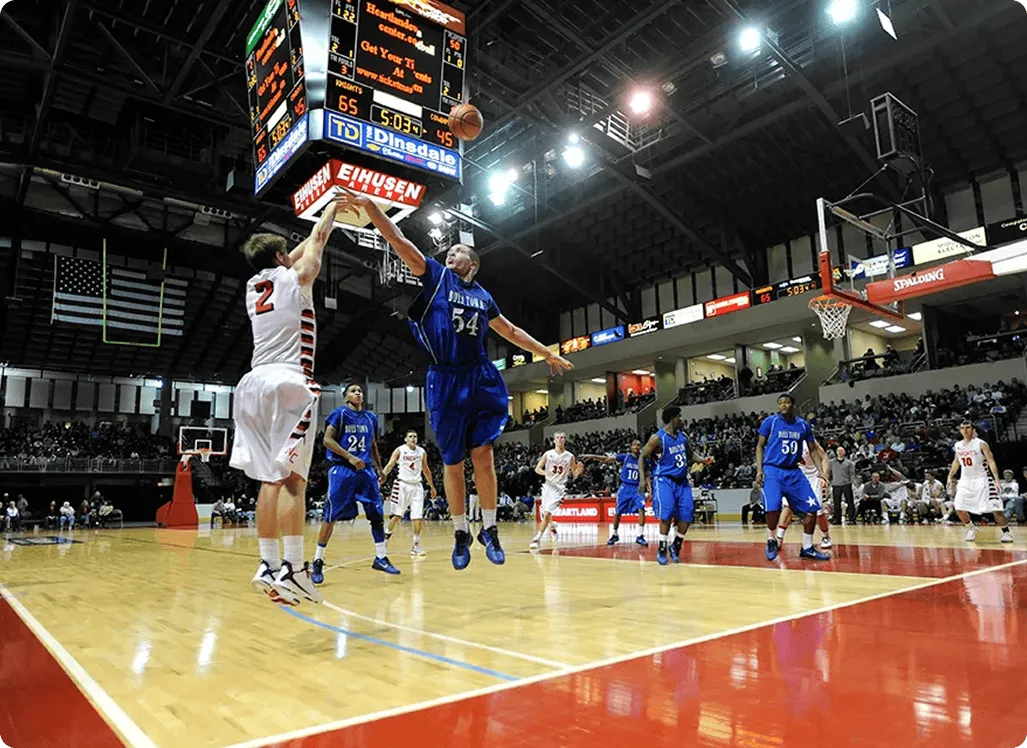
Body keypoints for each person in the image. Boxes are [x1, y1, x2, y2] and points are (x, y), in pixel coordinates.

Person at [340, 188, 573, 570]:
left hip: (479, 374)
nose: (450, 254)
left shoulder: (483, 296)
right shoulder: (434, 277)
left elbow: (510, 330)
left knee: (484, 453)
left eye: (458, 253)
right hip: (444, 379)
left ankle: (491, 528)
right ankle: (461, 532)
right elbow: (399, 241)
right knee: (452, 461)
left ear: (474, 263)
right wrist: (371, 209)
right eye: (448, 253)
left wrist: (546, 352)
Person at [229, 190, 347, 606]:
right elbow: (317, 239)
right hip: (288, 383)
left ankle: (266, 563)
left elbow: (287, 255)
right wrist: (333, 206)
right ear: (283, 258)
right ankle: (294, 570)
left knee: (269, 480)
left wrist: (282, 251)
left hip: (251, 385)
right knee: (295, 480)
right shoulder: (298, 278)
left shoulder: (253, 285)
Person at [312, 383, 399, 585]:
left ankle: (381, 557)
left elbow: (372, 444)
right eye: (353, 391)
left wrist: (379, 468)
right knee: (331, 516)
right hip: (342, 469)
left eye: (360, 390)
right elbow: (327, 440)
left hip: (366, 471)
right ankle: (318, 560)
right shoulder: (339, 414)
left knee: (377, 514)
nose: (358, 393)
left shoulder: (371, 417)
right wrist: (350, 457)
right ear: (345, 397)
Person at [755, 393, 830, 561]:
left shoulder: (803, 425)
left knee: (812, 509)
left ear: (792, 405)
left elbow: (813, 450)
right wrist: (759, 470)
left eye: (787, 402)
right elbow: (759, 447)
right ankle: (771, 540)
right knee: (772, 508)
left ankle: (807, 547)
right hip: (773, 470)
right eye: (780, 402)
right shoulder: (770, 422)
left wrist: (822, 473)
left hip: (794, 471)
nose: (783, 405)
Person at [638, 406, 693, 566]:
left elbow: (691, 455)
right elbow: (642, 455)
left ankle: (676, 545)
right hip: (664, 480)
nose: (682, 420)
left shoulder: (683, 437)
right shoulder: (658, 438)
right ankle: (662, 548)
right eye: (679, 417)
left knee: (687, 515)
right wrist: (643, 478)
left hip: (682, 481)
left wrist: (704, 460)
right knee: (666, 515)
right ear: (672, 419)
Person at [946, 421, 1013, 543]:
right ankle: (971, 527)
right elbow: (956, 462)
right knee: (959, 507)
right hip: (966, 480)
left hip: (983, 479)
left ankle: (1006, 532)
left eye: (968, 427)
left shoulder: (981, 444)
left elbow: (991, 462)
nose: (965, 430)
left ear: (973, 429)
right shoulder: (958, 445)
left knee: (995, 508)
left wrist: (997, 480)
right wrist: (950, 476)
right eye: (962, 428)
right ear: (960, 430)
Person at [581, 439, 650, 547]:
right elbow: (607, 459)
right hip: (625, 487)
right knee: (618, 512)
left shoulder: (644, 460)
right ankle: (614, 534)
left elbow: (646, 476)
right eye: (635, 445)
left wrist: (650, 490)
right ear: (631, 447)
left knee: (641, 509)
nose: (636, 447)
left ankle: (640, 536)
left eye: (638, 445)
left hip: (638, 488)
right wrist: (593, 456)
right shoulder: (626, 457)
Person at [381, 429, 438, 557]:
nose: (413, 438)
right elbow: (390, 465)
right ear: (405, 439)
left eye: (415, 436)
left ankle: (415, 546)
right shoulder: (399, 450)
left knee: (417, 518)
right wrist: (382, 476)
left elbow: (426, 470)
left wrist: (432, 486)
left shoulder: (421, 452)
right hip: (402, 485)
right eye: (410, 436)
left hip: (417, 486)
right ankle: (384, 542)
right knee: (397, 516)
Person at [529, 433, 583, 549]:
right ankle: (553, 529)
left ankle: (537, 539)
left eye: (562, 437)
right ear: (554, 440)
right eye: (558, 437)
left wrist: (580, 469)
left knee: (547, 513)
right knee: (546, 512)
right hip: (548, 486)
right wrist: (545, 473)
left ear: (565, 440)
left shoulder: (570, 456)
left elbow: (574, 474)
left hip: (559, 488)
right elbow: (537, 469)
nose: (560, 439)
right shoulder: (548, 454)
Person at [776, 439, 832, 549]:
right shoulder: (784, 444)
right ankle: (778, 539)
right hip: (796, 477)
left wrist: (825, 477)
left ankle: (826, 537)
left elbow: (824, 457)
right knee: (787, 507)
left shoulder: (809, 441)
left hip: (813, 477)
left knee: (818, 510)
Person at [828, 446, 856, 524]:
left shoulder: (850, 463)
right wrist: (829, 481)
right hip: (836, 484)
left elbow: (852, 474)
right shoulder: (831, 463)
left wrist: (852, 483)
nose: (840, 452)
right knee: (836, 503)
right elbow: (829, 473)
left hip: (847, 484)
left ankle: (851, 519)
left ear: (844, 452)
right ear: (836, 452)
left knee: (850, 502)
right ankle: (837, 519)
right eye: (838, 451)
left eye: (841, 450)